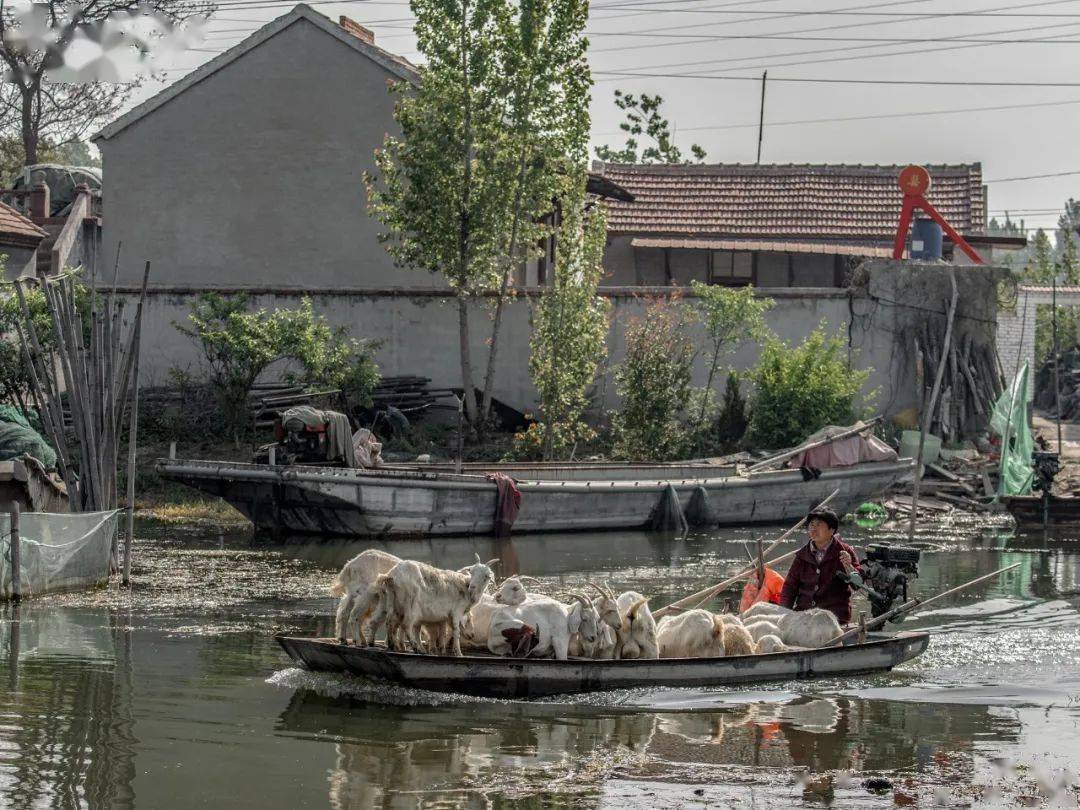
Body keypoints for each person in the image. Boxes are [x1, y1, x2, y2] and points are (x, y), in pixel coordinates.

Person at [778, 507, 861, 624]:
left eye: (819, 525)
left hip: (834, 618)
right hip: (805, 616)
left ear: (832, 530)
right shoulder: (802, 555)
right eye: (811, 525)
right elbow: (789, 587)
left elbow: (858, 585)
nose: (813, 529)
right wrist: (784, 614)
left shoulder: (844, 551)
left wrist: (849, 566)